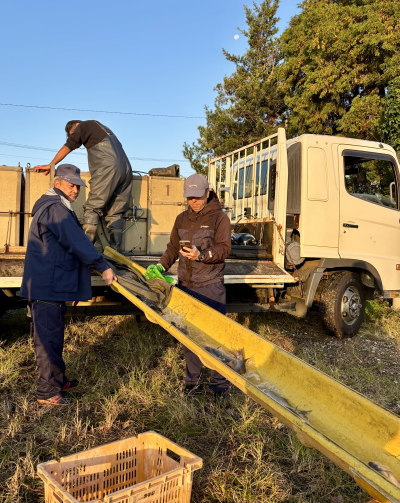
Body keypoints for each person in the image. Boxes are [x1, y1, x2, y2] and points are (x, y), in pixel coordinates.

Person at [21, 164, 117, 406]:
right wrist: (102, 266)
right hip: (47, 286)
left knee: (54, 336)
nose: (75, 190)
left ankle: (57, 379)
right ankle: (46, 392)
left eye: (78, 186)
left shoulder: (57, 206)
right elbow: (76, 242)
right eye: (71, 185)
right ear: (58, 183)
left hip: (52, 284)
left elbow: (64, 248)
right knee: (48, 340)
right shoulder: (56, 209)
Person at [151, 173, 232, 395]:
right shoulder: (181, 219)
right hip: (186, 286)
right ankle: (192, 382)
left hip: (210, 286)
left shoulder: (220, 219)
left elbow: (224, 249)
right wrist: (160, 266)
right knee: (188, 336)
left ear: (208, 192)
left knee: (214, 336)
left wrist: (202, 255)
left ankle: (219, 385)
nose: (193, 201)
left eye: (197, 196)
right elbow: (172, 248)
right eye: (189, 197)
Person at [33, 120, 133, 251]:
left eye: (72, 134)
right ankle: (115, 252)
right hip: (126, 170)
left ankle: (86, 250)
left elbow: (69, 145)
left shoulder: (83, 126)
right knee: (116, 212)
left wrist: (51, 164)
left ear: (74, 128)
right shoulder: (104, 130)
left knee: (92, 207)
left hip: (108, 167)